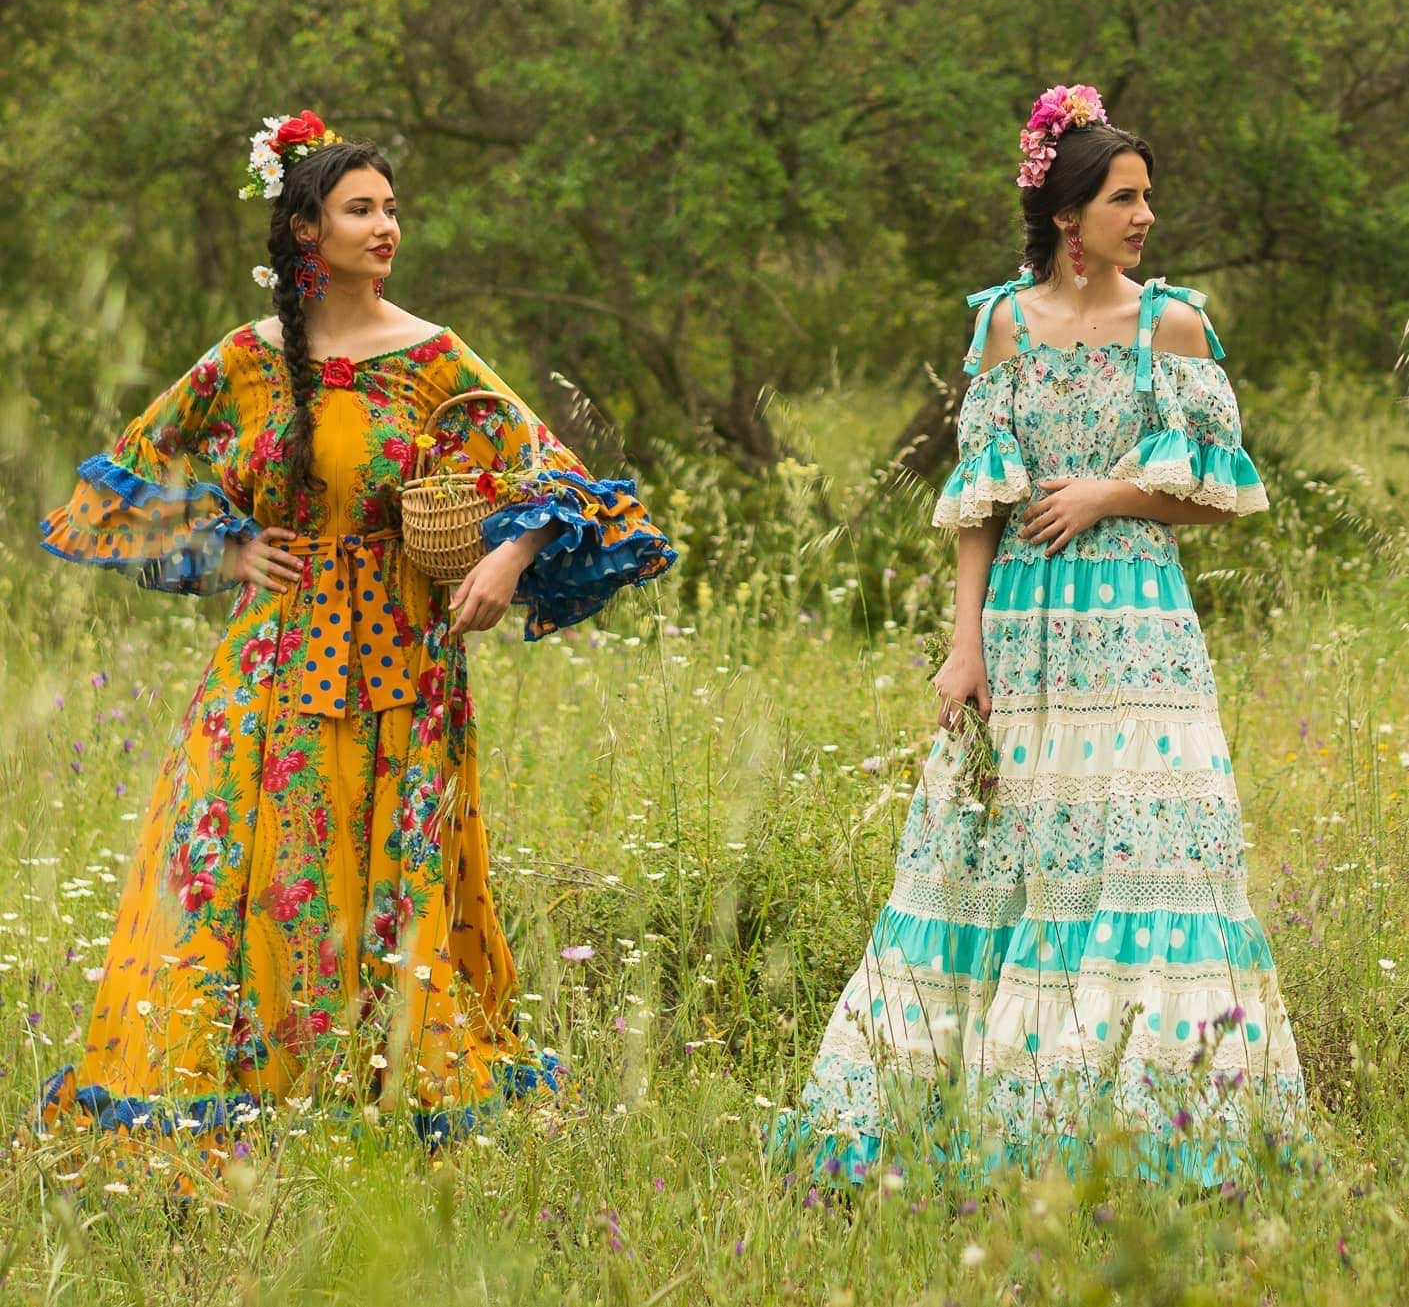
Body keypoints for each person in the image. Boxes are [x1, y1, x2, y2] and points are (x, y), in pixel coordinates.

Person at [35, 110, 675, 1182]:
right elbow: (112, 482)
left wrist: (506, 559)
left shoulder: (431, 357)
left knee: (387, 870)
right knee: (234, 869)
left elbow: (558, 477)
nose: (386, 226)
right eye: (360, 208)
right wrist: (222, 547)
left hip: (401, 661)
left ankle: (374, 1081)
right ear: (304, 230)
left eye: (391, 209)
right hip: (268, 662)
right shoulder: (242, 361)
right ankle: (235, 1087)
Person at [775, 85, 1305, 1186]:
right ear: (1067, 214)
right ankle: (977, 1129)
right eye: (1124, 197)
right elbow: (977, 503)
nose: (1144, 215)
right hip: (1018, 622)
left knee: (1148, 854)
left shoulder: (1173, 323)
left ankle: (1164, 1139)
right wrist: (960, 644)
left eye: (1147, 196)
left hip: (1137, 632)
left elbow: (1217, 495)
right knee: (993, 856)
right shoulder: (1001, 323)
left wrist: (1110, 494)